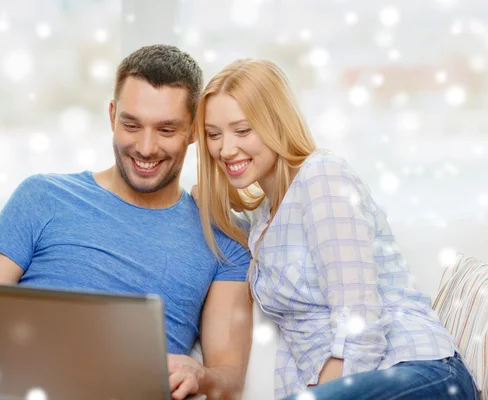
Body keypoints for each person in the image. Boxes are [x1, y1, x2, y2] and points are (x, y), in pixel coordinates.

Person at [0, 45, 253, 400]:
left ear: (193, 131)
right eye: (131, 124)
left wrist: (199, 375)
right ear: (112, 116)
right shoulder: (43, 196)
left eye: (166, 130)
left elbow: (229, 379)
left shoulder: (222, 236)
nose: (145, 147)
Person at [194, 58, 480, 400]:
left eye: (242, 130)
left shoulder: (322, 177)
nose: (225, 148)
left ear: (276, 124)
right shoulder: (263, 223)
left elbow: (360, 323)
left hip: (416, 371)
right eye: (213, 135)